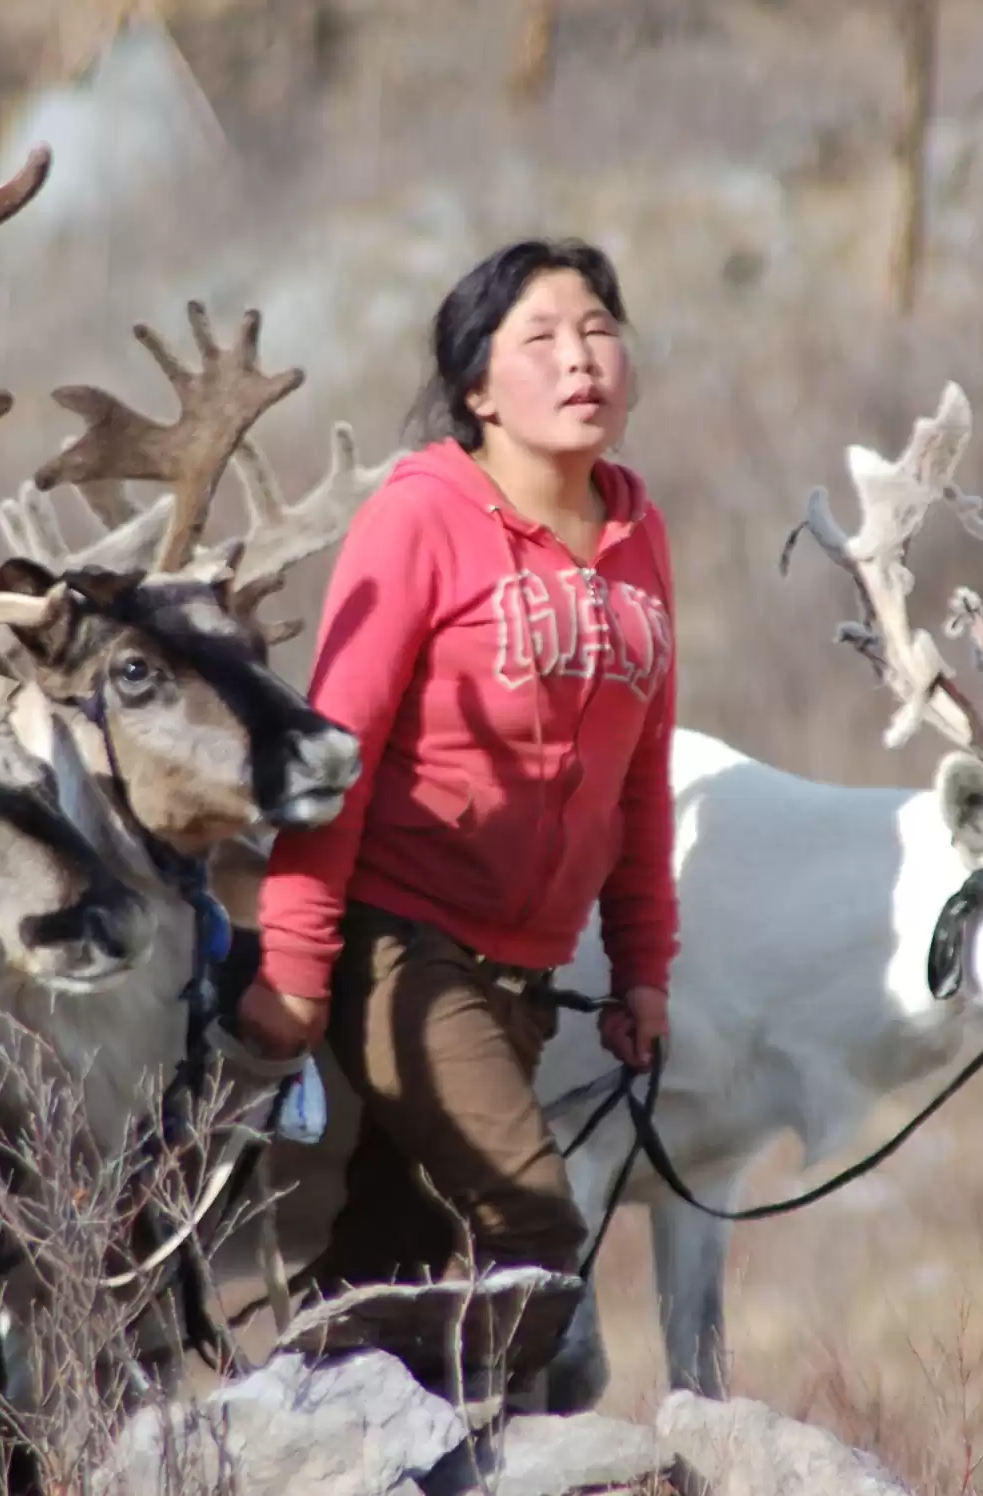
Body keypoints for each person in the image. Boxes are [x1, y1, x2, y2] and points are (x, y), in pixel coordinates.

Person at [238, 236, 679, 1384]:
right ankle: (504, 1450)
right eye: (540, 338)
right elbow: (332, 754)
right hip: (400, 943)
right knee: (534, 1233)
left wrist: (642, 968)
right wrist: (293, 961)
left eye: (598, 329)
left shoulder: (638, 533)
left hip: (525, 974)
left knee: (392, 1245)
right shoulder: (421, 514)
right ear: (478, 389)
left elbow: (641, 776)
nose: (580, 359)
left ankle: (305, 1434)